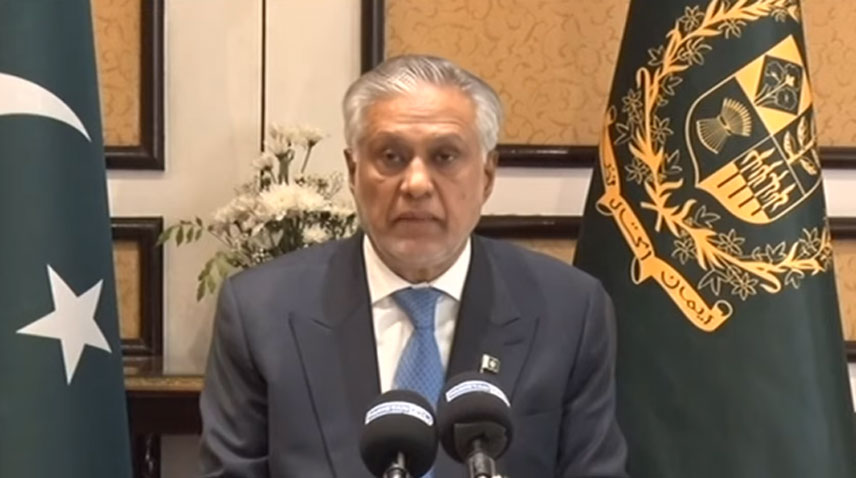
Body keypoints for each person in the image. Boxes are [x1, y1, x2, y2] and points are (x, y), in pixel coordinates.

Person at [199, 54, 627, 477]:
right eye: (391, 156)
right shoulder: (261, 312)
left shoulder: (569, 310)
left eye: (445, 156)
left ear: (487, 175)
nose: (417, 184)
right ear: (353, 171)